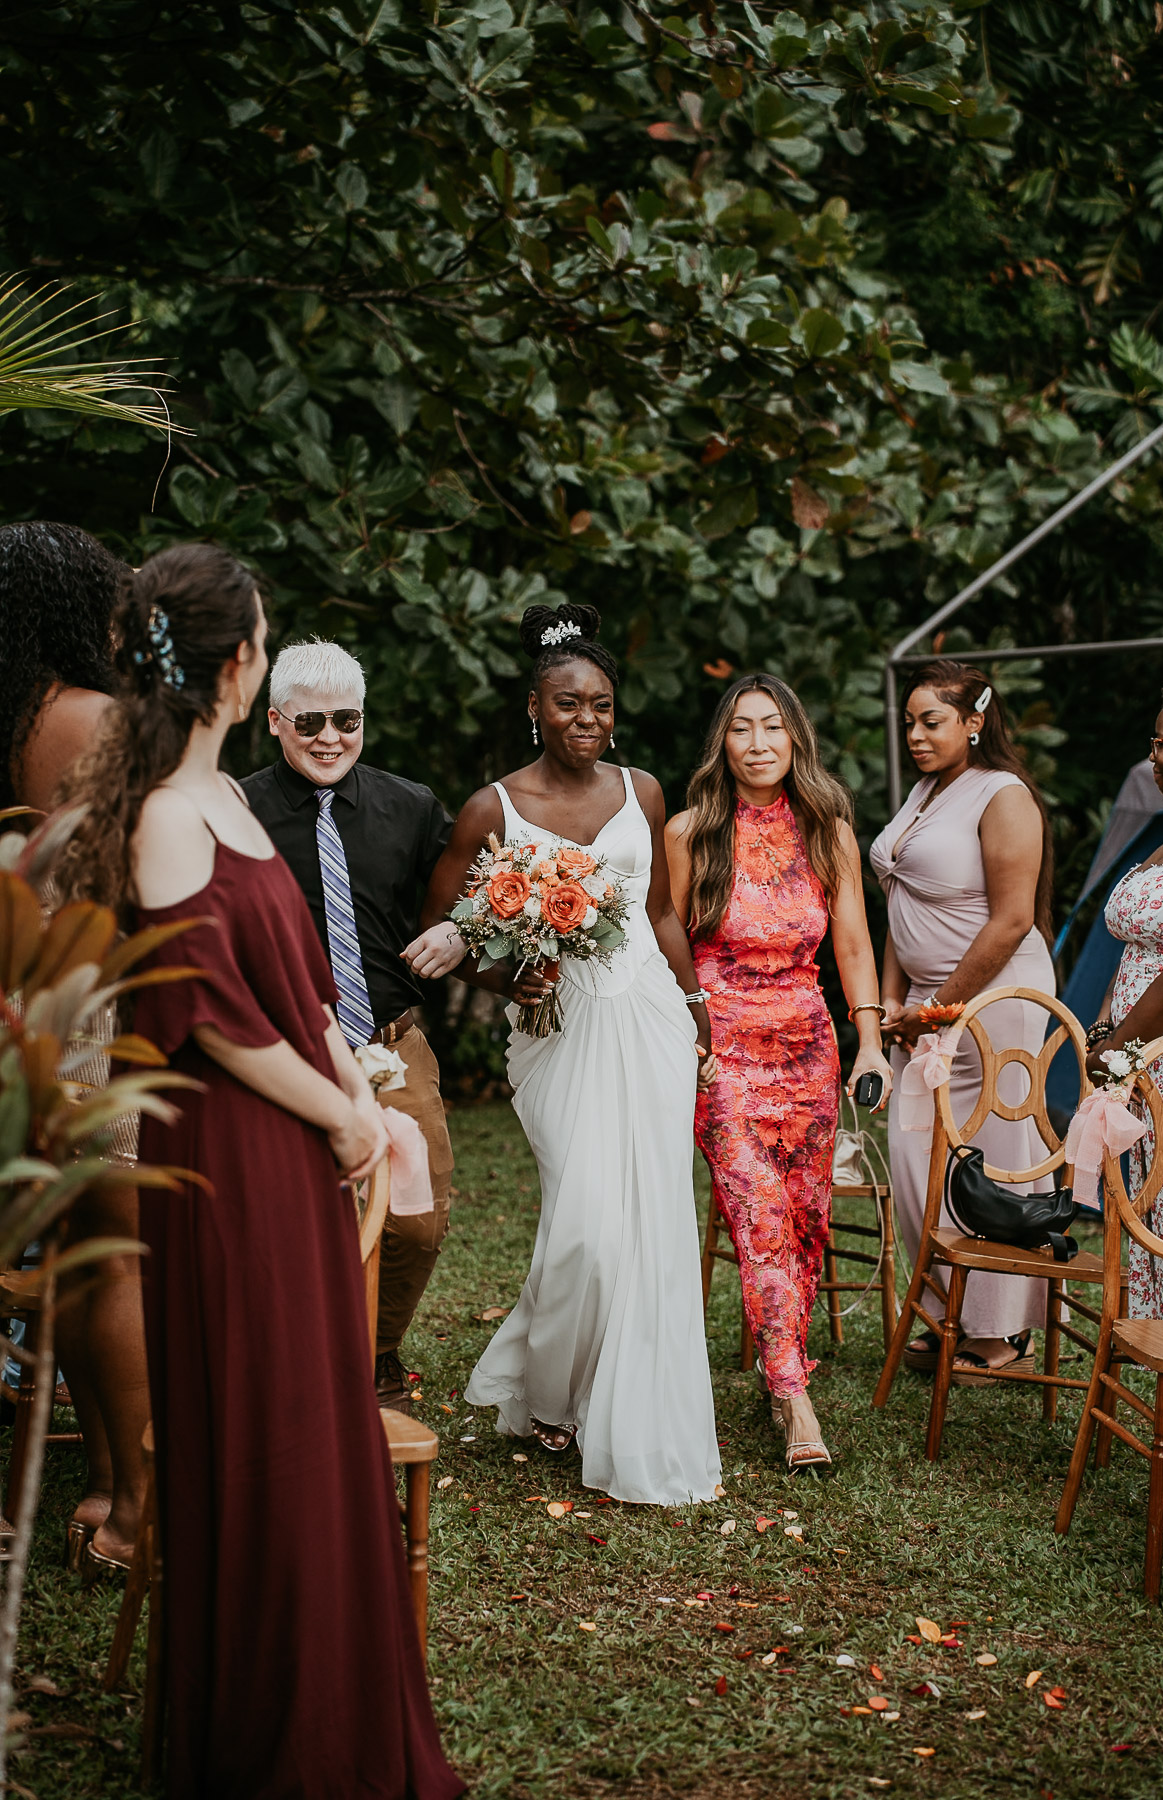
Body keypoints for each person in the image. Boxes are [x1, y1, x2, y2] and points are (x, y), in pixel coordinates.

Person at [62, 545, 463, 1800]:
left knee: (318, 1426)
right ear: (236, 667)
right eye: (265, 642)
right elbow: (210, 1014)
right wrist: (337, 1118)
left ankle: (340, 1721)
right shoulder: (174, 818)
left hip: (289, 1142)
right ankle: (280, 1745)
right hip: (231, 1161)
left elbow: (290, 988)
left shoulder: (229, 804)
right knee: (271, 1439)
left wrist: (353, 1080)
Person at [416, 602, 722, 1505]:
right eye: (568, 704)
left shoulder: (646, 791)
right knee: (584, 1226)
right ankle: (549, 1384)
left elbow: (660, 909)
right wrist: (508, 982)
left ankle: (614, 1407)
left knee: (651, 1218)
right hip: (558, 1031)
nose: (586, 721)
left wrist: (695, 1003)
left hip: (650, 1018)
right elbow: (444, 929)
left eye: (600, 705)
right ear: (534, 708)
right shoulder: (492, 808)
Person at [666, 674, 892, 1474]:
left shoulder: (827, 828)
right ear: (721, 744)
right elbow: (675, 943)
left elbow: (855, 944)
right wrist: (685, 1035)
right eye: (740, 730)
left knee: (801, 1218)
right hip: (723, 1045)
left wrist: (869, 1043)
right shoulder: (691, 830)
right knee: (758, 1214)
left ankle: (776, 1360)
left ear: (795, 738)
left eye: (772, 728)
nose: (757, 744)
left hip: (808, 1042)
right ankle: (793, 1394)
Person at [241, 641, 460, 1412]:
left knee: (417, 1218)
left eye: (348, 719)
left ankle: (375, 1350)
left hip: (393, 1043)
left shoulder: (411, 805)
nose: (330, 736)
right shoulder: (237, 814)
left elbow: (475, 889)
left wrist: (464, 930)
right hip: (283, 1050)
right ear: (275, 721)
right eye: (311, 722)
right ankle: (295, 1362)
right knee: (284, 1223)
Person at [0, 519, 150, 1573]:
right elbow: (156, 875)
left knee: (75, 1260)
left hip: (17, 1037)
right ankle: (132, 1505)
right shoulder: (98, 719)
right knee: (120, 1257)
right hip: (94, 1021)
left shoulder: (9, 724)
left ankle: (98, 1490)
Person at [870, 659, 1055, 1382]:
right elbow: (901, 908)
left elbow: (1011, 920)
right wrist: (894, 999)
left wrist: (937, 1007)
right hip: (928, 1006)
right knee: (918, 1155)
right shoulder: (923, 791)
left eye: (932, 722)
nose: (915, 735)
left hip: (998, 999)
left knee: (996, 1156)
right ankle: (946, 1306)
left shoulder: (1002, 795)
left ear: (975, 723)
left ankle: (1002, 1332)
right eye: (910, 722)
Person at [1084, 669, 1163, 1512]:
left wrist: (1117, 1050)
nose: (1153, 753)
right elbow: (1136, 955)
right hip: (1139, 1066)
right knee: (1155, 1237)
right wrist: (1106, 1040)